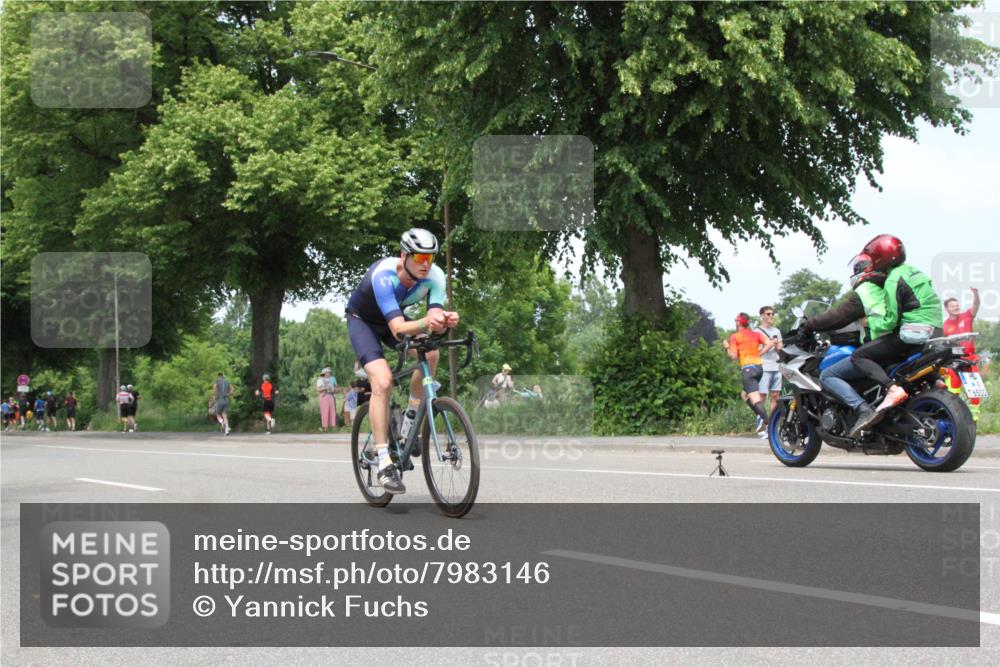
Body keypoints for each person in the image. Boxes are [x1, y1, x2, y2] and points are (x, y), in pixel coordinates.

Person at [345, 227, 460, 494]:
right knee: (382, 382)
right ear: (403, 255)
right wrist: (427, 322)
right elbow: (398, 328)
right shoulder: (384, 275)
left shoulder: (435, 277)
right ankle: (384, 461)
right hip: (364, 323)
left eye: (430, 258)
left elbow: (432, 325)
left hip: (393, 320)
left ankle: (410, 421)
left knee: (431, 353)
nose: (425, 264)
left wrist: (444, 322)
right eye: (419, 258)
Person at [848, 235, 942, 433]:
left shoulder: (893, 279)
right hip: (936, 330)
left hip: (913, 332)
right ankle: (936, 384)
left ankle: (891, 389)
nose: (871, 263)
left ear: (882, 258)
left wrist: (869, 321)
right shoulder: (916, 272)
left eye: (873, 258)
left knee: (859, 355)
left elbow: (889, 320)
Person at [802, 253, 891, 437]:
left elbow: (838, 316)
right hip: (894, 344)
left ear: (861, 270)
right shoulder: (888, 287)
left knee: (827, 375)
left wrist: (809, 325)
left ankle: (863, 409)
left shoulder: (867, 291)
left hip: (877, 348)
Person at [728, 313, 776, 437]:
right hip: (759, 369)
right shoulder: (756, 334)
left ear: (739, 322)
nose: (735, 322)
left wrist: (726, 347)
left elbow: (733, 356)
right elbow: (770, 343)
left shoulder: (735, 337)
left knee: (755, 400)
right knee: (744, 395)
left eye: (735, 320)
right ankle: (762, 418)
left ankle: (770, 426)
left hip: (748, 369)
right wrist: (760, 353)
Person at [942, 288, 982, 421]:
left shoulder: (967, 316)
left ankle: (974, 415)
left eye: (957, 305)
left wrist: (975, 294)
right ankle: (953, 413)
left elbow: (976, 305)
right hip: (954, 361)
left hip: (969, 358)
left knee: (974, 389)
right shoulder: (945, 325)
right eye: (953, 306)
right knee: (952, 389)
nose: (956, 307)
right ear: (947, 309)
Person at [755, 306, 783, 418]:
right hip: (764, 367)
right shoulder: (756, 331)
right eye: (768, 314)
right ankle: (761, 423)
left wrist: (775, 345)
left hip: (776, 366)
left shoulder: (777, 331)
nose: (771, 316)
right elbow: (756, 353)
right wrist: (768, 345)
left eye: (772, 314)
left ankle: (771, 424)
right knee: (762, 396)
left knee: (775, 396)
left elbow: (780, 350)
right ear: (762, 315)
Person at [316, 367, 338, 432]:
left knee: (332, 412)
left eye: (329, 372)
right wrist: (326, 388)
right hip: (324, 396)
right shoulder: (320, 380)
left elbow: (333, 389)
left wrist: (335, 390)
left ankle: (332, 427)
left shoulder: (330, 380)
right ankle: (324, 428)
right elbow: (318, 389)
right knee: (325, 412)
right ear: (324, 373)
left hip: (331, 396)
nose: (329, 373)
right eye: (328, 372)